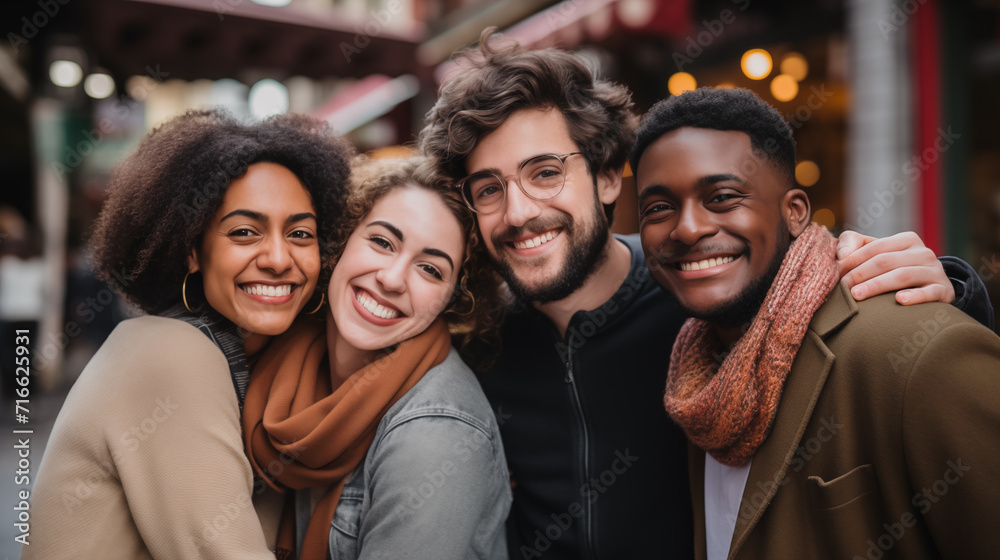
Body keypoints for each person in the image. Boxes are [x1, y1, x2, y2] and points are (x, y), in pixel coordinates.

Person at [418, 31, 994, 559]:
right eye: (488, 188)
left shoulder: (699, 293)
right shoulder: (475, 337)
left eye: (545, 172)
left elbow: (818, 302)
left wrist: (955, 294)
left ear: (607, 177)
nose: (518, 212)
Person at [631, 86, 1000, 560]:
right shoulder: (695, 378)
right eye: (659, 208)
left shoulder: (912, 347)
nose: (687, 228)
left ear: (795, 212)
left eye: (722, 197)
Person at [23, 108, 353, 559]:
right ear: (193, 251)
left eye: (300, 233)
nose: (278, 258)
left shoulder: (265, 371)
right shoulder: (169, 351)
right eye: (244, 232)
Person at [242, 155, 511, 560]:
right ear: (342, 240)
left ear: (452, 301)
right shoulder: (286, 363)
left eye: (431, 270)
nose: (391, 278)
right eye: (382, 242)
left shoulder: (437, 435)